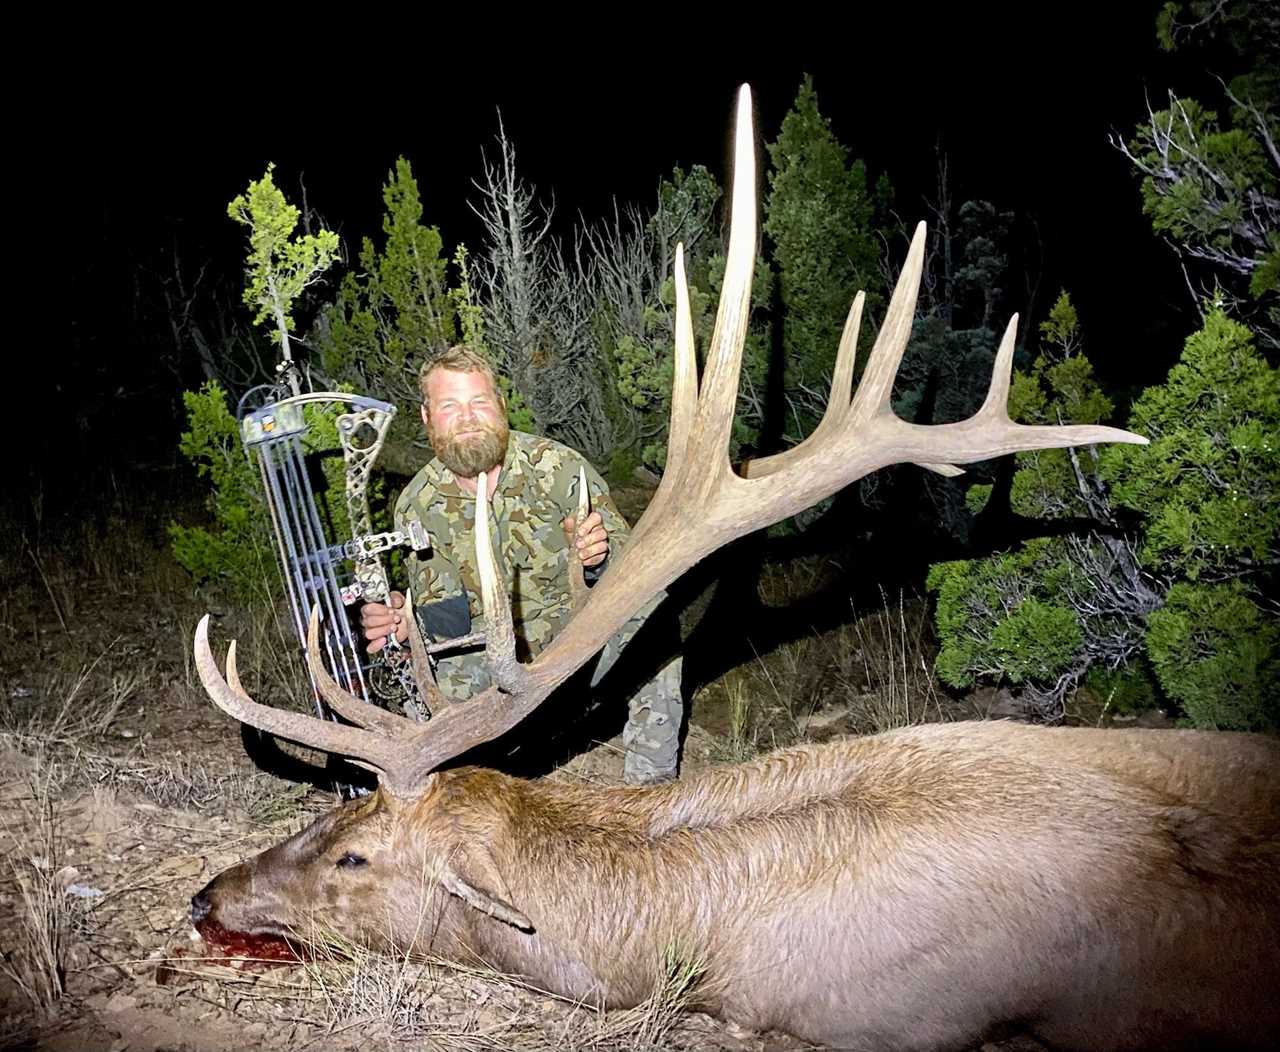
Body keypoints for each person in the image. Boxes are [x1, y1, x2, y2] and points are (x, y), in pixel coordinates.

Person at [360, 346, 683, 785]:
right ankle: (485, 775)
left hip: (576, 656)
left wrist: (597, 558)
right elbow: (447, 622)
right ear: (427, 418)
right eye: (450, 406)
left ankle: (650, 789)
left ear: (501, 406)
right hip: (496, 674)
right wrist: (406, 618)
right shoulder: (417, 505)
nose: (468, 417)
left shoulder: (559, 469)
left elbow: (634, 572)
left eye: (479, 402)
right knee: (419, 676)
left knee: (651, 610)